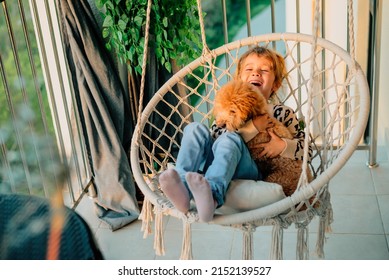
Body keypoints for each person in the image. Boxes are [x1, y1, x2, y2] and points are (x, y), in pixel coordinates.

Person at [159, 46, 312, 222]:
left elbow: (305, 148)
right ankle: (182, 184)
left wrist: (283, 146)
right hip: (219, 161)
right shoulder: (227, 106)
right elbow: (217, 138)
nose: (256, 74)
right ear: (239, 79)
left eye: (263, 70)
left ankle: (213, 196)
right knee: (194, 128)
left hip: (250, 169)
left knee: (230, 139)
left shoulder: (282, 113)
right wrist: (253, 127)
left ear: (275, 85)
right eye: (249, 69)